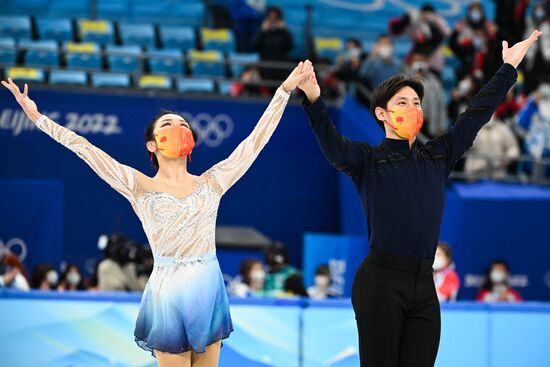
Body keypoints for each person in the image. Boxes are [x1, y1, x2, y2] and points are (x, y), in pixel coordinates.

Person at [2, 61, 313, 367]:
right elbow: (85, 148)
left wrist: (283, 91)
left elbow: (254, 142)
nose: (177, 127)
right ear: (152, 144)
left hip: (207, 289)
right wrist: (38, 118)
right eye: (168, 124)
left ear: (191, 141)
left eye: (182, 124)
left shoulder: (213, 181)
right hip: (168, 294)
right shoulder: (139, 186)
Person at [297, 31, 541, 367]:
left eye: (416, 103)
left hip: (424, 286)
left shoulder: (437, 156)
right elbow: (333, 144)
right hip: (381, 281)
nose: (412, 108)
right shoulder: (368, 160)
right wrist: (313, 100)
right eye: (402, 102)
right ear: (382, 114)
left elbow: (475, 115)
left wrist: (508, 68)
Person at [464, 112, 520, 179]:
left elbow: (514, 148)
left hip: (497, 173)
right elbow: (461, 147)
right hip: (475, 173)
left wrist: (506, 159)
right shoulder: (471, 127)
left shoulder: (503, 128)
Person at [253, 6, 294, 81]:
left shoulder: (283, 33)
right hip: (266, 68)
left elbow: (290, 46)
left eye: (275, 18)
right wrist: (262, 31)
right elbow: (255, 46)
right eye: (270, 18)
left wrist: (284, 30)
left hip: (281, 68)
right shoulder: (263, 33)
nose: (272, 21)